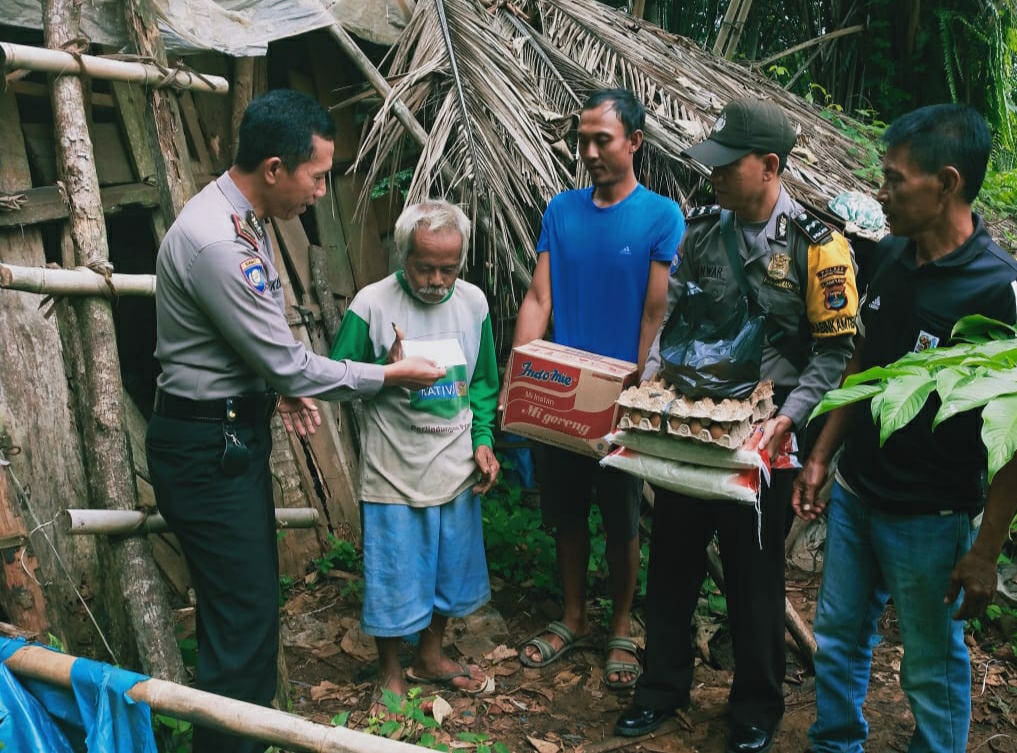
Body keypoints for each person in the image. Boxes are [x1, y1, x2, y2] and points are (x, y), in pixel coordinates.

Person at [145, 89, 444, 753]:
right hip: (206, 449)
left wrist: (270, 384)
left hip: (224, 438)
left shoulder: (239, 219)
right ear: (275, 167)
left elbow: (246, 347)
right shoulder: (219, 241)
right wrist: (388, 376)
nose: (320, 190)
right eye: (317, 175)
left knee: (244, 620)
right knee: (241, 627)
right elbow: (292, 363)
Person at [792, 104, 1017, 753]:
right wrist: (823, 455)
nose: (882, 191)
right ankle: (834, 743)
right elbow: (861, 358)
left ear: (948, 183)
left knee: (932, 665)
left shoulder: (1004, 291)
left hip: (930, 518)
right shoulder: (888, 257)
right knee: (840, 635)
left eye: (896, 179)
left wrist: (985, 549)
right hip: (856, 494)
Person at [615, 98, 859, 753]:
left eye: (729, 164)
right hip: (693, 422)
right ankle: (660, 690)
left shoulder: (819, 249)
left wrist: (788, 418)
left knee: (754, 577)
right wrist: (654, 376)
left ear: (771, 166)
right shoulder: (700, 231)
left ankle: (756, 706)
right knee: (671, 562)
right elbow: (677, 318)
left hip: (766, 432)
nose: (714, 175)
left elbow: (835, 351)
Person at [512, 88, 686, 689]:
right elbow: (540, 297)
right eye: (581, 140)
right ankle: (572, 616)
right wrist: (523, 370)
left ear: (634, 142)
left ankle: (620, 626)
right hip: (561, 392)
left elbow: (654, 313)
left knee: (621, 517)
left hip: (621, 397)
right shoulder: (560, 210)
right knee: (565, 512)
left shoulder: (663, 216)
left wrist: (633, 387)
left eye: (601, 139)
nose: (587, 151)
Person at [329, 200, 500, 705]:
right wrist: (384, 368)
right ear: (402, 254)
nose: (436, 280)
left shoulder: (474, 304)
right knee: (394, 576)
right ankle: (389, 670)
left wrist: (484, 440)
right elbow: (336, 378)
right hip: (393, 473)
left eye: (449, 268)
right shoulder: (372, 304)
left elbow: (485, 382)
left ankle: (430, 654)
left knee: (450, 572)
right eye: (424, 266)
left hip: (454, 469)